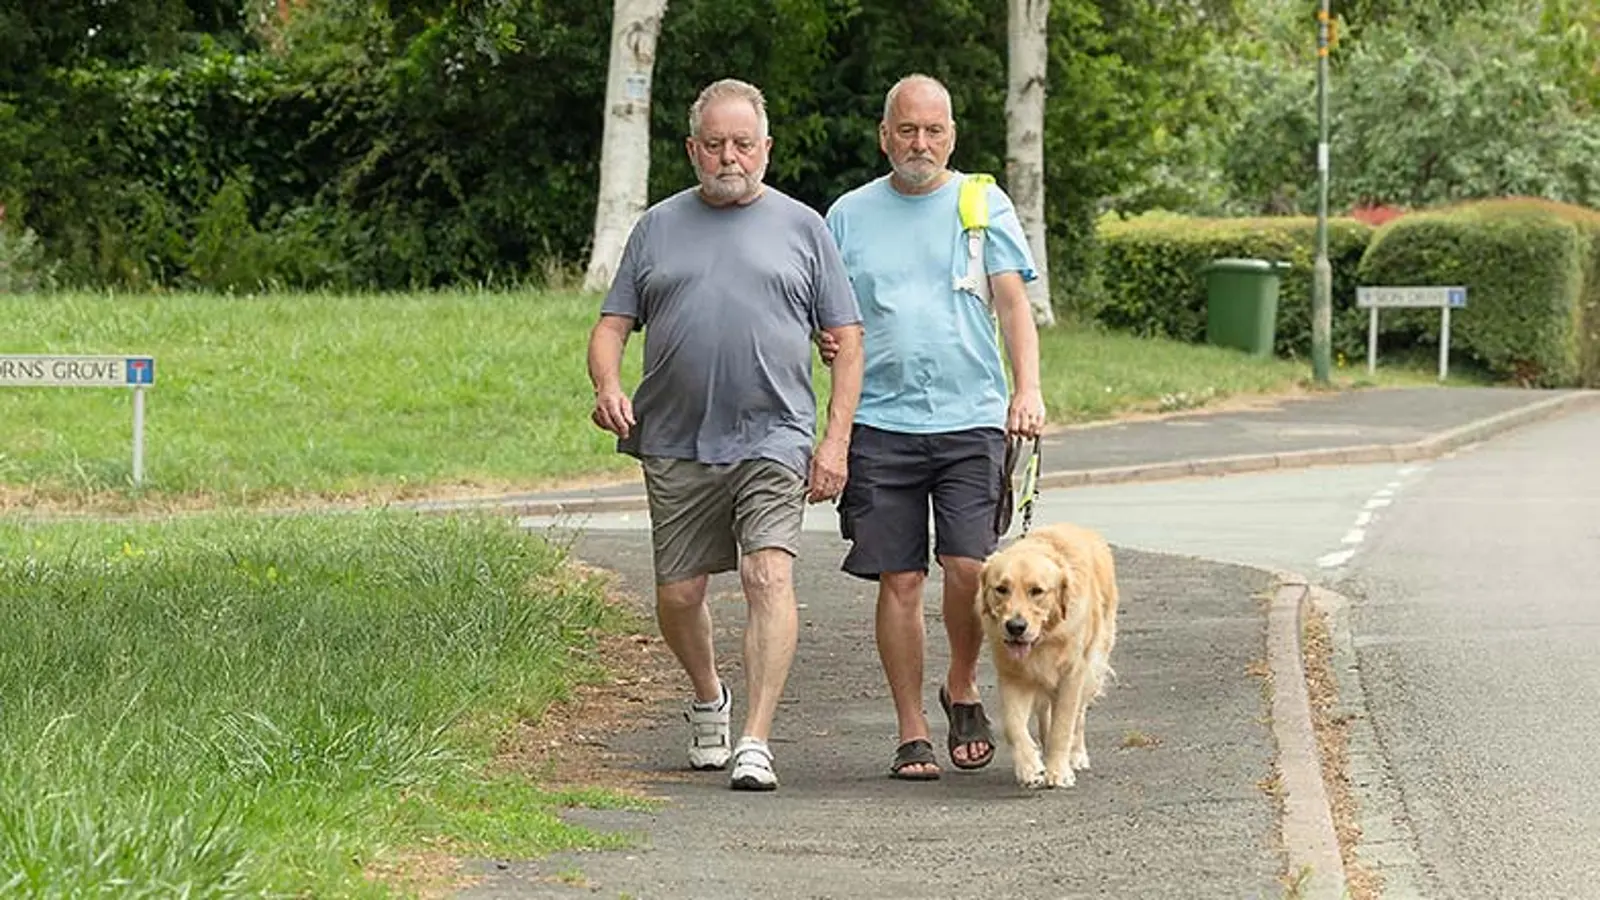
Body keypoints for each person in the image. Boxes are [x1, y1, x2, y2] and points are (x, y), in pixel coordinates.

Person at [586, 78, 865, 792]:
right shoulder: (655, 227)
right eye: (714, 145)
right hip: (676, 439)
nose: (729, 157)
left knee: (767, 572)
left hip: (775, 435)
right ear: (692, 149)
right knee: (679, 596)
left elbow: (846, 337)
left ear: (765, 148)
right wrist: (609, 386)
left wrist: (833, 443)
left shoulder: (804, 228)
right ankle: (711, 697)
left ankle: (756, 741)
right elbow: (613, 324)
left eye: (743, 144)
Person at [820, 73, 1046, 780]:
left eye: (934, 131)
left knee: (971, 568)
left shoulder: (982, 204)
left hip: (971, 416)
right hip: (880, 422)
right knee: (901, 579)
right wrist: (825, 342)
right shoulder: (847, 216)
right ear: (885, 136)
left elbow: (1013, 307)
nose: (921, 144)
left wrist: (1028, 390)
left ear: (952, 135)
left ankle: (961, 682)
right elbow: (825, 311)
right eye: (907, 130)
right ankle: (912, 728)